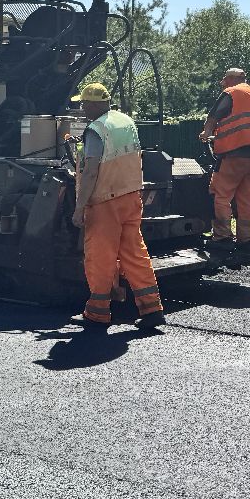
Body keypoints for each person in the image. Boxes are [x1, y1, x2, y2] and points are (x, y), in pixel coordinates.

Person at [70, 82, 165, 329]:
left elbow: (91, 172)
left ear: (92, 104)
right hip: (131, 195)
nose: (82, 109)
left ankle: (97, 312)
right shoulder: (126, 121)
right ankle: (152, 308)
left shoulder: (96, 129)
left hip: (105, 201)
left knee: (100, 257)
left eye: (83, 104)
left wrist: (79, 207)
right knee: (134, 253)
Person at [199, 67, 250, 260]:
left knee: (219, 194)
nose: (223, 83)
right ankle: (246, 242)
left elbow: (214, 116)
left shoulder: (232, 93)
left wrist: (206, 133)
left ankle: (222, 238)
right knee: (247, 200)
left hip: (232, 155)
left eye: (224, 79)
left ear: (232, 79)